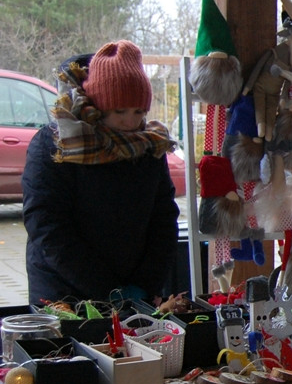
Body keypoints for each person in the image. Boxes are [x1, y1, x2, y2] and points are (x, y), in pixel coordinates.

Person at [22, 40, 180, 306]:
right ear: (97, 105)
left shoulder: (148, 144)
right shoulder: (55, 144)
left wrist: (144, 284)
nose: (130, 121)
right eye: (119, 111)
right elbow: (47, 225)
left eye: (139, 111)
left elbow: (163, 218)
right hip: (64, 291)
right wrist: (109, 291)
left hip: (136, 290)